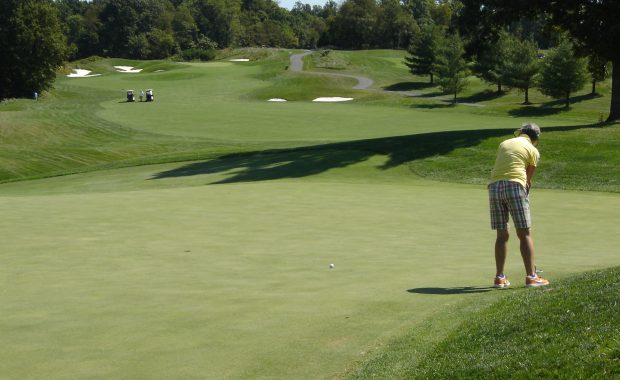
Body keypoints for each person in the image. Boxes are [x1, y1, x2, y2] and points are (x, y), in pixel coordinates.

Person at [488, 123, 549, 288]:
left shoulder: (504, 143)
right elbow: (527, 180)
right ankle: (531, 276)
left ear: (521, 133)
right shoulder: (533, 151)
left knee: (502, 236)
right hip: (515, 185)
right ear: (535, 138)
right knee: (525, 234)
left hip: (494, 187)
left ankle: (499, 278)